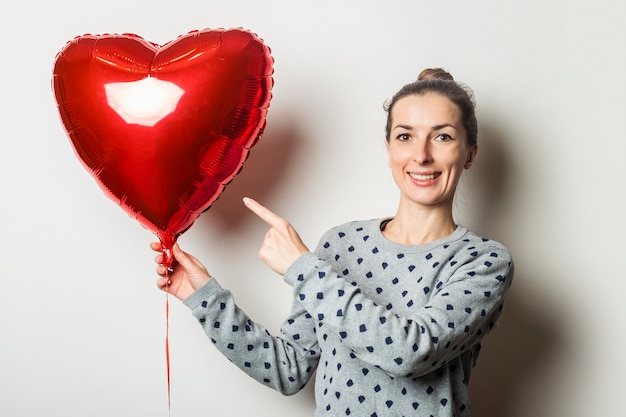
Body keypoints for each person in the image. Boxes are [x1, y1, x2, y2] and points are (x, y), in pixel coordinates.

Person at [152, 68, 514, 417]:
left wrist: (302, 267)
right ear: (389, 148)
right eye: (405, 136)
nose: (421, 155)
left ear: (469, 154)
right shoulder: (341, 244)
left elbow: (407, 352)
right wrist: (202, 296)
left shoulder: (483, 262)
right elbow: (288, 369)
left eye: (443, 136)